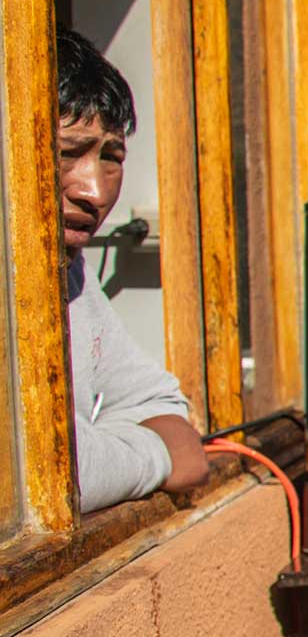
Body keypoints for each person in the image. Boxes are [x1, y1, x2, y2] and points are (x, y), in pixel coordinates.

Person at [55, 29, 206, 510]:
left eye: (111, 157)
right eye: (67, 152)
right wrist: (152, 457)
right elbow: (51, 477)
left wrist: (112, 453)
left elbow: (170, 420)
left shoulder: (69, 271)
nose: (95, 192)